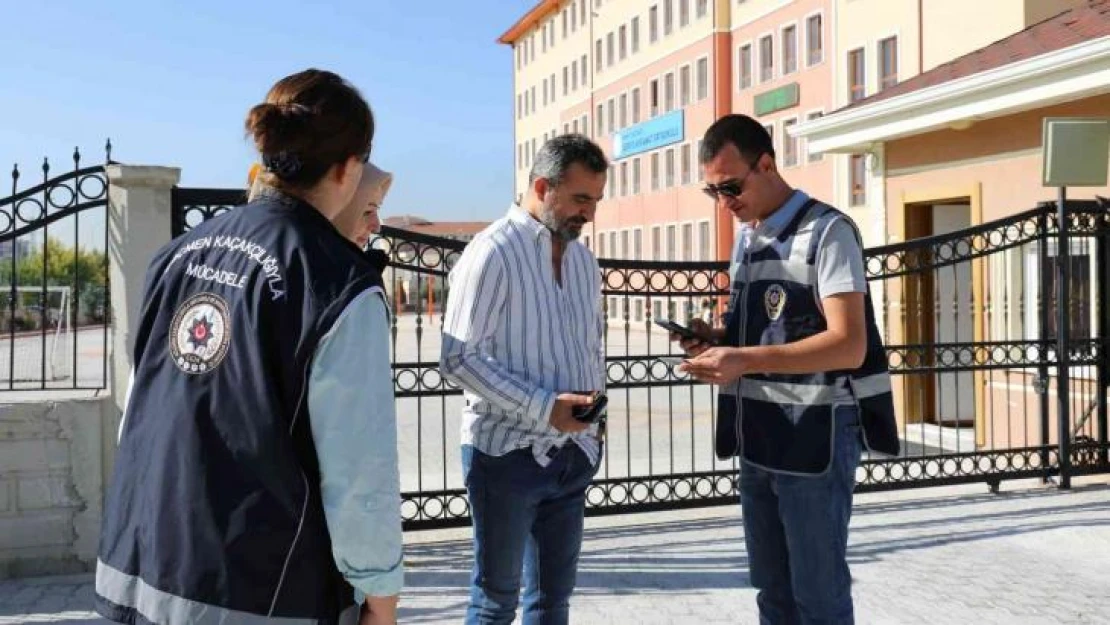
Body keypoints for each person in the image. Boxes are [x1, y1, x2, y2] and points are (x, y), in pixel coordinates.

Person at [95, 69, 402, 625]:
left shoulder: (179, 252)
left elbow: (139, 408)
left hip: (141, 565)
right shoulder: (338, 282)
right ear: (349, 168)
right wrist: (380, 595)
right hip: (254, 588)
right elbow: (359, 469)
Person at [674, 115, 899, 625]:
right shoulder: (747, 242)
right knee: (772, 594)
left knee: (817, 598)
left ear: (767, 164)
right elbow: (760, 333)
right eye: (713, 192)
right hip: (759, 438)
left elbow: (847, 344)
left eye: (731, 187)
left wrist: (744, 358)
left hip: (814, 441)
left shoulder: (829, 232)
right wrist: (713, 341)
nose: (725, 202)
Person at [439, 134, 609, 625]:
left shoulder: (583, 260)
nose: (590, 214)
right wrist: (543, 406)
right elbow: (457, 359)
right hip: (505, 457)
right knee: (495, 603)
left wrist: (589, 427)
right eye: (580, 199)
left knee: (552, 603)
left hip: (573, 457)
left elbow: (586, 349)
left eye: (595, 201)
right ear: (542, 186)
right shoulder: (491, 252)